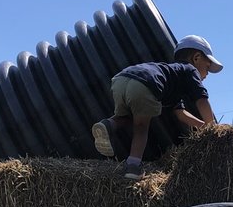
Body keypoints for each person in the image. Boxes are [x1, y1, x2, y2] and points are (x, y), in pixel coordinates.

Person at [91, 34, 223, 179]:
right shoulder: (190, 70)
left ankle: (108, 125)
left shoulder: (173, 77)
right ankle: (133, 166)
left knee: (126, 117)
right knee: (141, 127)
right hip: (146, 83)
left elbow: (181, 113)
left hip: (121, 80)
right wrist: (213, 128)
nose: (207, 74)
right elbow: (201, 100)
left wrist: (203, 126)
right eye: (207, 67)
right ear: (196, 58)